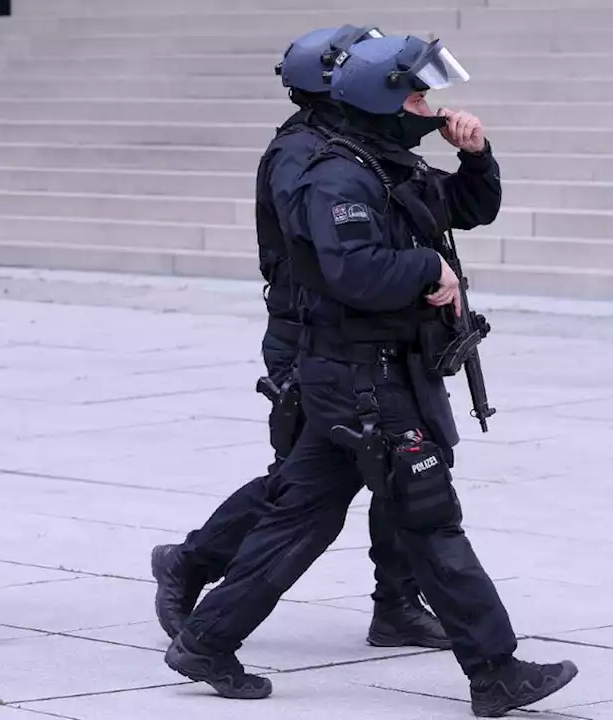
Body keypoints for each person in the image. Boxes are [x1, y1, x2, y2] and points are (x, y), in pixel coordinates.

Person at [162, 34, 579, 717]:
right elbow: (353, 272)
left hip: (372, 369)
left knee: (302, 516)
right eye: (416, 93)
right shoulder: (331, 171)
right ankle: (495, 671)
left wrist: (475, 159)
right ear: (379, 99)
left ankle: (206, 640)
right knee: (428, 517)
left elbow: (461, 209)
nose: (427, 104)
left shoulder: (381, 159)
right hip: (359, 372)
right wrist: (426, 270)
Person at [150, 25, 449, 654]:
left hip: (362, 333)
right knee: (307, 481)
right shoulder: (307, 158)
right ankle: (193, 560)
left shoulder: (356, 144)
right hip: (311, 333)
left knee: (404, 467)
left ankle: (396, 603)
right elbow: (336, 258)